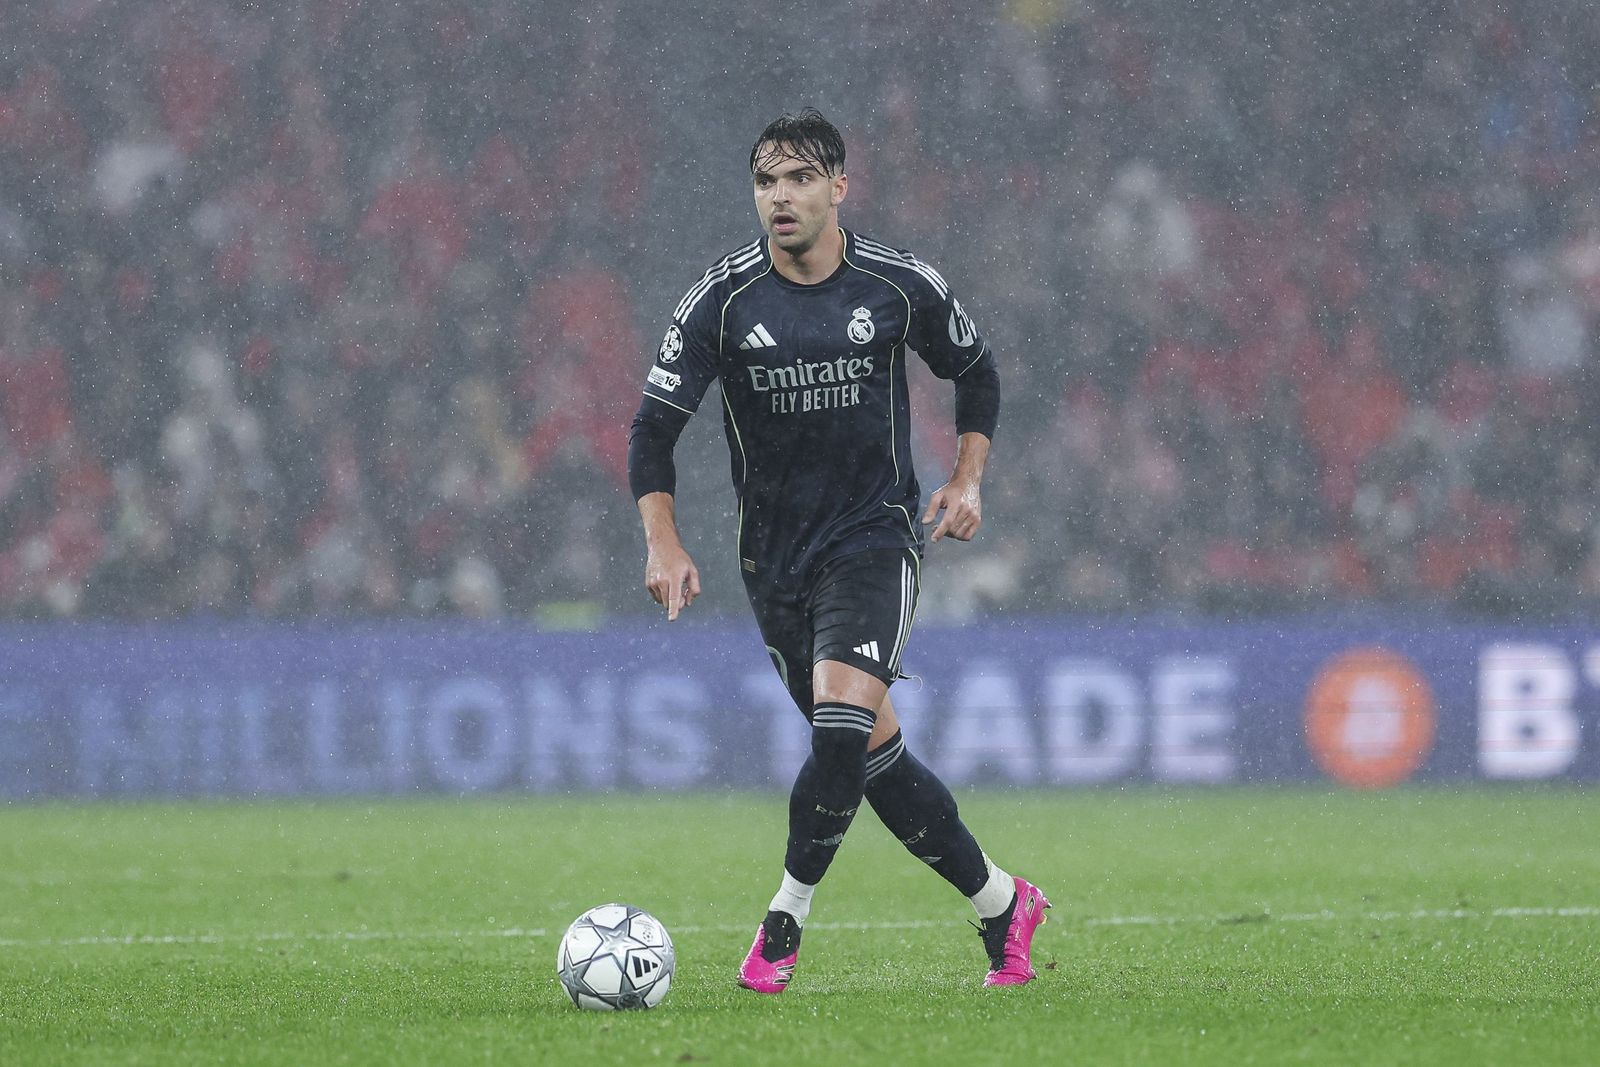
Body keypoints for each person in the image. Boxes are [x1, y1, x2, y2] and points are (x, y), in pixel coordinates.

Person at [627, 109, 1047, 991]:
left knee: (841, 726)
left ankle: (783, 923)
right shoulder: (722, 299)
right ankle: (1003, 903)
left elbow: (977, 373)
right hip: (774, 563)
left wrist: (967, 478)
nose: (780, 198)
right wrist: (663, 541)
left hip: (874, 538)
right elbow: (653, 430)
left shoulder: (897, 285)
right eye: (766, 182)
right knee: (867, 759)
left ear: (838, 188)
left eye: (799, 179)